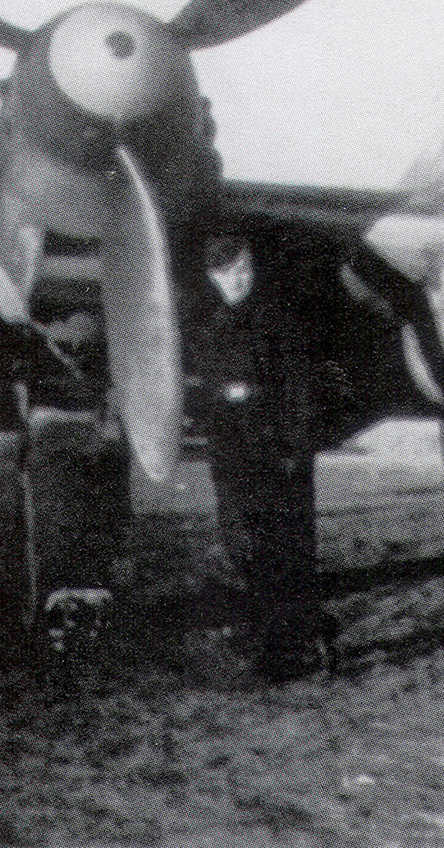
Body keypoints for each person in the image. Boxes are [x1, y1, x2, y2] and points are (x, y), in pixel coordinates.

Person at [193, 233, 326, 681]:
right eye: (228, 272)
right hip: (233, 456)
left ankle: (286, 648)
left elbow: (302, 389)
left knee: (283, 551)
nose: (239, 279)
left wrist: (296, 447)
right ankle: (278, 633)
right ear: (213, 278)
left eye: (245, 269)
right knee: (243, 546)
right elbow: (209, 395)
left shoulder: (279, 321)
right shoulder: (211, 329)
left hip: (277, 453)